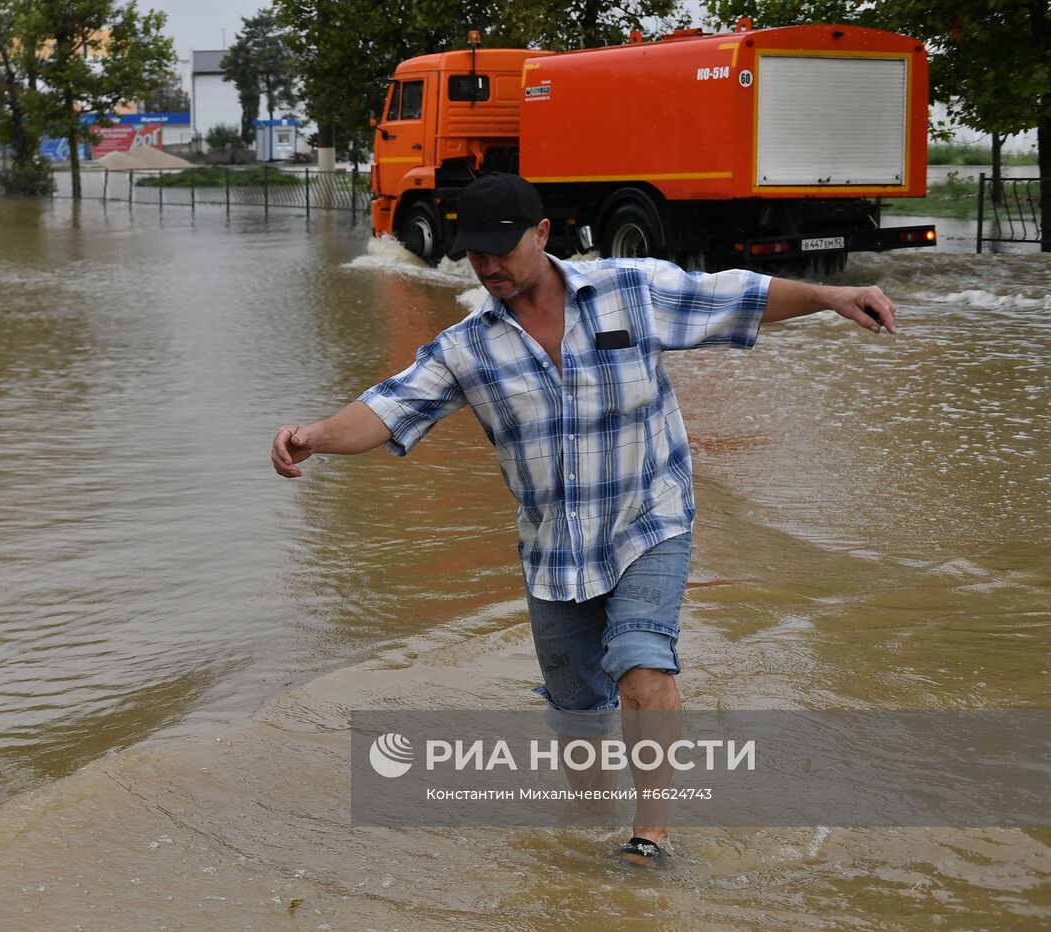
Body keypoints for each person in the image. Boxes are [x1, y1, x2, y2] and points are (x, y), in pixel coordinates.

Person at [270, 173, 896, 864]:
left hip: (648, 517)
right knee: (578, 720)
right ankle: (594, 814)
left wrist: (833, 296)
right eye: (474, 253)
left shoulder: (630, 289)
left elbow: (738, 294)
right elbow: (390, 407)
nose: (488, 266)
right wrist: (315, 436)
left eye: (501, 249)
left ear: (542, 234)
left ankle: (649, 835)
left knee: (641, 663)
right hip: (554, 549)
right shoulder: (469, 347)